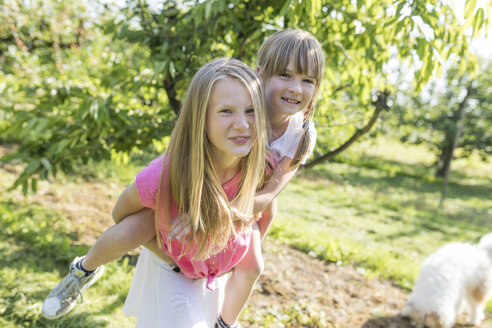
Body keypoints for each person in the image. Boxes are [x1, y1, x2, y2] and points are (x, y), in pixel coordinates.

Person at [42, 58, 269, 327]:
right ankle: (83, 270)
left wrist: (232, 241)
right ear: (200, 118)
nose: (243, 124)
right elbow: (120, 213)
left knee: (253, 266)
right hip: (175, 251)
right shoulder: (167, 174)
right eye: (226, 111)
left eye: (251, 110)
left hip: (216, 253)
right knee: (130, 231)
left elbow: (267, 210)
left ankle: (225, 323)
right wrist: (162, 244)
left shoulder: (260, 166)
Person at [171, 29, 325, 328]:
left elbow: (269, 194)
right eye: (285, 75)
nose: (296, 88)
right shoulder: (244, 113)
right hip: (210, 185)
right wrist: (204, 208)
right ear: (260, 74)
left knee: (252, 264)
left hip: (249, 201)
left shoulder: (302, 133)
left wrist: (228, 216)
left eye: (308, 80)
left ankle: (224, 322)